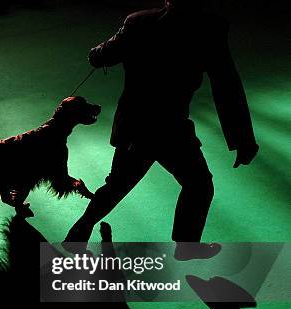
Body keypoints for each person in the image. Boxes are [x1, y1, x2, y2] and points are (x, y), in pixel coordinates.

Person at [65, 0, 259, 261]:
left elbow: (98, 57)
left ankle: (81, 229)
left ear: (168, 0)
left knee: (118, 185)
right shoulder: (210, 28)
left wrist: (101, 51)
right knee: (199, 185)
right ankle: (186, 247)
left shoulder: (138, 22)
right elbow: (226, 84)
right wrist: (243, 139)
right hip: (172, 127)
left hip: (135, 125)